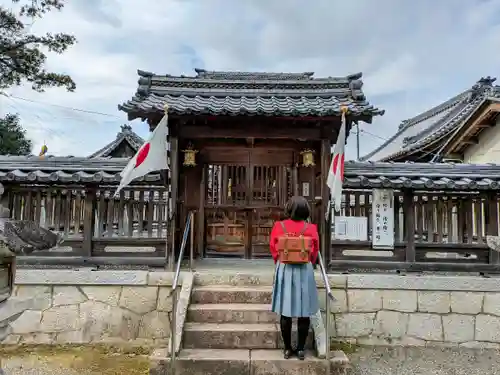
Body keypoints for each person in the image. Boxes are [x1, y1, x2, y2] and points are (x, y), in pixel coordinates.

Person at [270, 196, 320, 360]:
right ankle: (300, 349)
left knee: (285, 311)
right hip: (304, 269)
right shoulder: (311, 228)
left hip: (285, 268)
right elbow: (314, 251)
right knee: (304, 311)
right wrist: (309, 262)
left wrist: (280, 260)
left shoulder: (279, 226)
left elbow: (273, 247)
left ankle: (287, 348)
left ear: (289, 209)